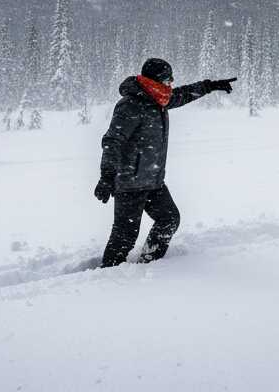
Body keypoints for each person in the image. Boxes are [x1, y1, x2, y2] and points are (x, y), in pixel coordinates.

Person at [96, 58, 236, 267]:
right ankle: (106, 277)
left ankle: (150, 263)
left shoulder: (159, 98)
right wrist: (107, 176)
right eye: (167, 79)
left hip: (153, 181)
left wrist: (209, 86)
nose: (171, 82)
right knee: (125, 236)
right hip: (130, 184)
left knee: (169, 219)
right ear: (155, 80)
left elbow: (182, 94)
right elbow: (112, 141)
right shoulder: (131, 105)